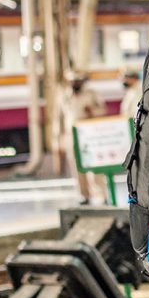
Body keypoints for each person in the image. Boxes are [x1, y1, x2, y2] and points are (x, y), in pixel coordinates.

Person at [61, 71, 106, 204]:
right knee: (76, 166)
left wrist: (92, 111)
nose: (74, 84)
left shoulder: (92, 94)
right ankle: (84, 195)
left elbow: (102, 111)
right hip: (71, 134)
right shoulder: (65, 95)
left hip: (89, 134)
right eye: (72, 81)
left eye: (77, 81)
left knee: (94, 165)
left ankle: (101, 195)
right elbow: (60, 117)